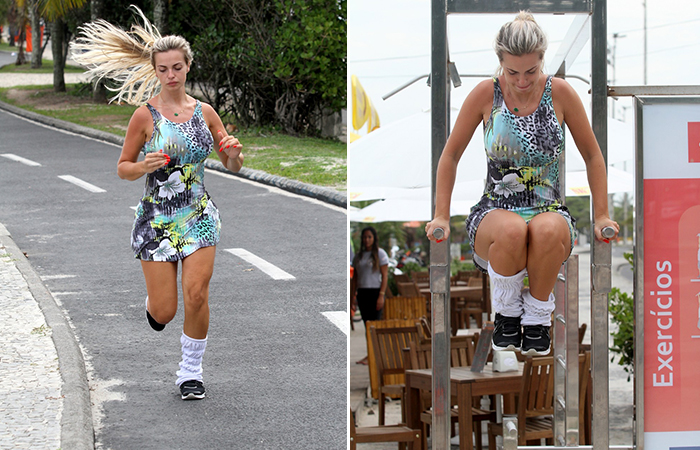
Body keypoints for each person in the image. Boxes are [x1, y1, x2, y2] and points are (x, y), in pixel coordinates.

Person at [71, 6, 243, 400]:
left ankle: (190, 372)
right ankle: (153, 303)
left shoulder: (205, 113)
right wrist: (143, 164)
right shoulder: (143, 116)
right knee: (165, 311)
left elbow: (232, 163)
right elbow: (122, 169)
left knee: (197, 294)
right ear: (156, 71)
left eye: (177, 67)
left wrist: (232, 151)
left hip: (198, 215)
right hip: (157, 220)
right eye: (164, 69)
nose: (171, 75)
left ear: (187, 67)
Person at [425, 12, 619, 356]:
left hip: (549, 208)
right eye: (513, 72)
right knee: (514, 230)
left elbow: (593, 156)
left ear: (542, 60)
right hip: (495, 211)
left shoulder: (560, 94)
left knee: (544, 231)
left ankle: (536, 316)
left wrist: (601, 214)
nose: (523, 80)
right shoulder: (486, 94)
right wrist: (441, 215)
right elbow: (450, 155)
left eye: (531, 71)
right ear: (500, 62)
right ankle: (507, 311)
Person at [351, 226, 389, 365]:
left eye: (369, 237)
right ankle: (370, 354)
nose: (367, 240)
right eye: (365, 237)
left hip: (375, 292)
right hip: (362, 293)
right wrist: (352, 296)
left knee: (375, 325)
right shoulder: (359, 256)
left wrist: (381, 295)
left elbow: (385, 276)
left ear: (374, 238)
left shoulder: (380, 254)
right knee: (367, 326)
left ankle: (377, 355)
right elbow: (355, 278)